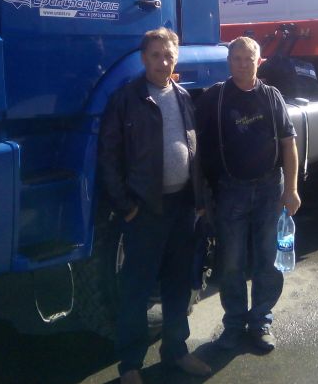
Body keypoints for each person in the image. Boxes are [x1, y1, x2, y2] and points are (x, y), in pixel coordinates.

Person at [97, 27, 212, 384]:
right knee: (137, 289)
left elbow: (194, 150)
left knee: (179, 285)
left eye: (169, 55)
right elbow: (109, 157)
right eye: (156, 55)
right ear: (144, 58)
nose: (163, 62)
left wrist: (200, 201)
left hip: (182, 207)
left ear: (176, 58)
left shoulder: (183, 96)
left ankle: (176, 352)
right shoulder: (126, 99)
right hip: (146, 210)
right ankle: (130, 365)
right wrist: (127, 206)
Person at [197, 36, 300, 353]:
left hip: (270, 190)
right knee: (231, 262)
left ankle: (261, 323)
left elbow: (289, 144)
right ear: (229, 62)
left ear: (259, 62)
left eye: (249, 59)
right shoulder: (215, 97)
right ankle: (233, 325)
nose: (243, 64)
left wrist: (292, 189)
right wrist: (201, 195)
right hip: (231, 191)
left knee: (268, 260)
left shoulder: (271, 97)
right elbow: (197, 148)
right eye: (237, 59)